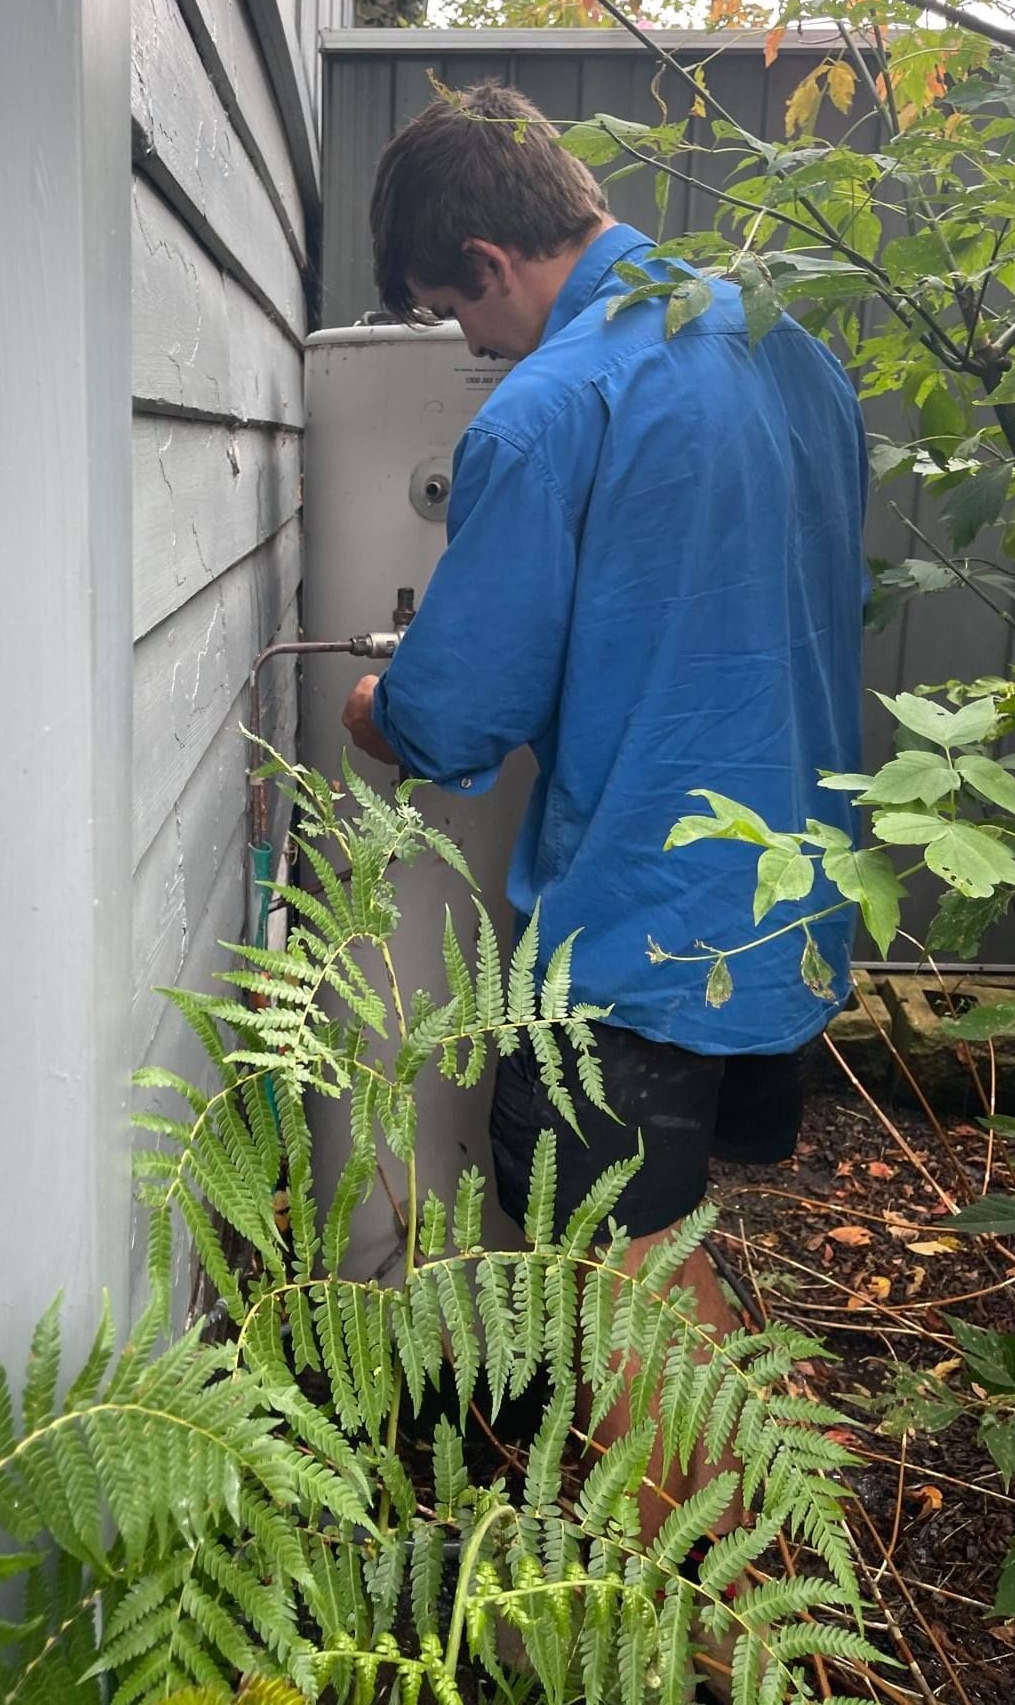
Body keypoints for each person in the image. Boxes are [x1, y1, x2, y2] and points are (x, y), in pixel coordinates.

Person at [341, 82, 867, 1565]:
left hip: (642, 917)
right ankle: (781, 1496)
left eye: (457, 311)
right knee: (686, 1225)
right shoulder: (788, 350)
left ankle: (674, 1595)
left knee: (613, 1256)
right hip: (793, 887)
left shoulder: (553, 407)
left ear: (491, 261)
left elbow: (455, 718)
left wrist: (376, 705)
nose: (468, 347)